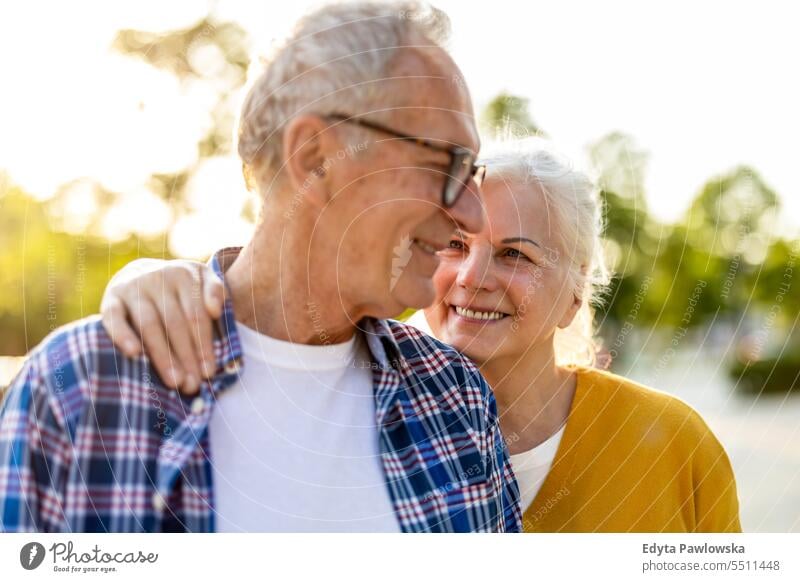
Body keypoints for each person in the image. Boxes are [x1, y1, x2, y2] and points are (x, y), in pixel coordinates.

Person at [0, 1, 521, 533]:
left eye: (471, 171)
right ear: (316, 157)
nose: (471, 215)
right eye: (446, 164)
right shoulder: (80, 392)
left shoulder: (457, 399)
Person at [105, 138, 742, 532]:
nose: (472, 277)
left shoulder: (671, 444)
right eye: (454, 245)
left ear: (577, 288)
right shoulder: (345, 407)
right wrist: (159, 278)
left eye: (515, 254)